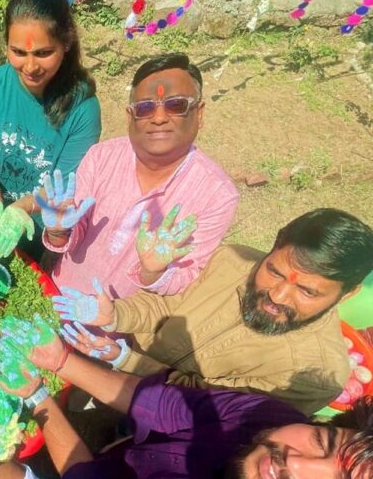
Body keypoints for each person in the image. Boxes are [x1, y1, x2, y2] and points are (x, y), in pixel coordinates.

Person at [0, 320, 373, 479]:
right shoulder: (271, 419)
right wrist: (60, 362)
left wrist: (36, 396)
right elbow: (154, 403)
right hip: (119, 458)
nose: (295, 461)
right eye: (323, 440)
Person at [54, 208, 373, 414]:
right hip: (114, 369)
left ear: (349, 293)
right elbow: (165, 304)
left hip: (163, 427)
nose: (277, 295)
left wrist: (126, 361)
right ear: (274, 246)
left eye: (306, 291)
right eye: (274, 271)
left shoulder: (316, 375)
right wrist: (116, 316)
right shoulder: (232, 259)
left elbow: (207, 406)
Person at [36, 52, 239, 300]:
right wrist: (58, 231)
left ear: (199, 114)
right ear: (130, 117)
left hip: (119, 331)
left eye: (176, 105)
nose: (160, 117)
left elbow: (187, 278)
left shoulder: (217, 196)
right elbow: (72, 231)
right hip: (55, 298)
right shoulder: (101, 157)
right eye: (145, 108)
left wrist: (153, 272)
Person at [0, 0, 101, 260]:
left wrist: (20, 209)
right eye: (18, 52)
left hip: (36, 229)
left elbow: (62, 186)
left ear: (66, 42)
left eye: (43, 53)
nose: (30, 66)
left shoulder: (83, 110)